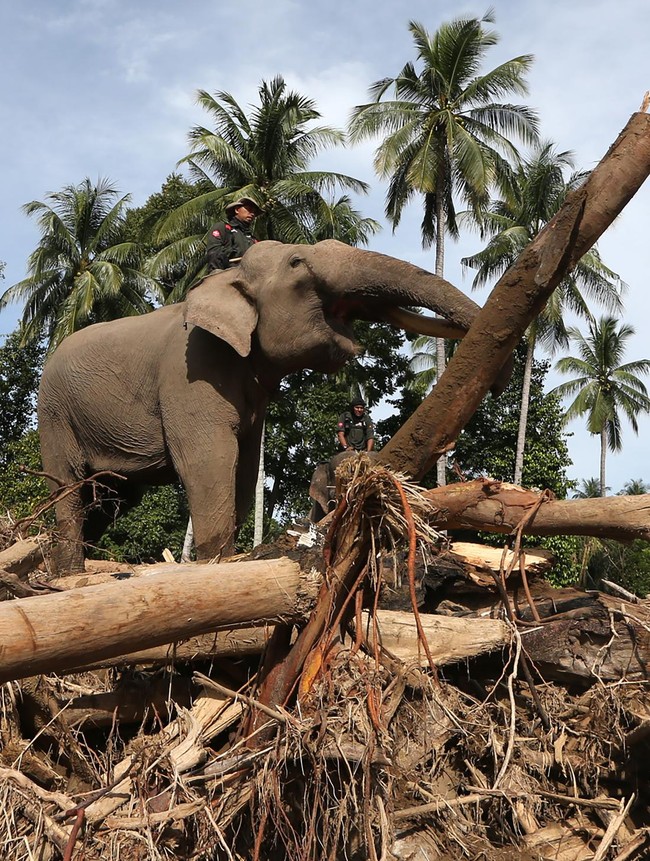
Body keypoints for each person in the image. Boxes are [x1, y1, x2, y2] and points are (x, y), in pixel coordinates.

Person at [206, 196, 263, 271]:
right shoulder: (223, 228)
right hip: (226, 275)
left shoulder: (254, 240)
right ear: (237, 210)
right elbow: (214, 253)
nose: (252, 214)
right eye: (249, 209)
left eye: (254, 212)